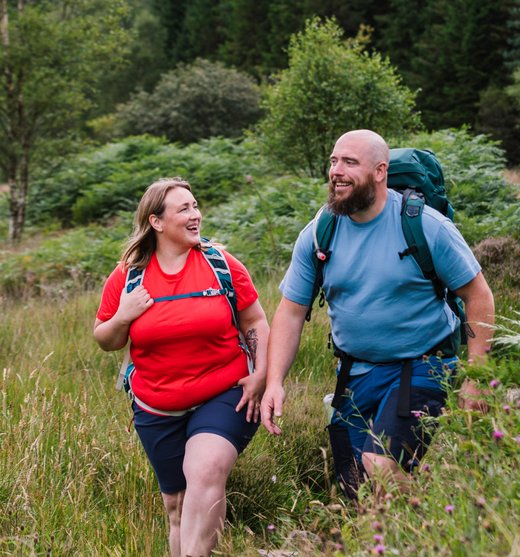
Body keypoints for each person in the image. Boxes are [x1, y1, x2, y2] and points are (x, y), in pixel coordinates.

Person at [260, 129, 494, 495]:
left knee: (381, 465)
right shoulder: (320, 232)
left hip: (423, 366)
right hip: (355, 373)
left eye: (350, 162)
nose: (336, 171)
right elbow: (291, 312)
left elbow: (478, 294)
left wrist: (478, 375)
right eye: (334, 161)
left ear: (380, 171)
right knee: (355, 487)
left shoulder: (424, 226)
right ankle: (410, 532)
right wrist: (275, 381)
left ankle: (430, 535)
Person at [93, 177, 269, 557]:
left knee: (205, 472)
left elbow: (254, 321)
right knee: (176, 505)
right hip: (156, 406)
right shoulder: (128, 276)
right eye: (184, 209)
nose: (196, 214)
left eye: (195, 206)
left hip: (225, 391)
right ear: (156, 222)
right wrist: (124, 316)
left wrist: (261, 374)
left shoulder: (219, 263)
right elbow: (106, 339)